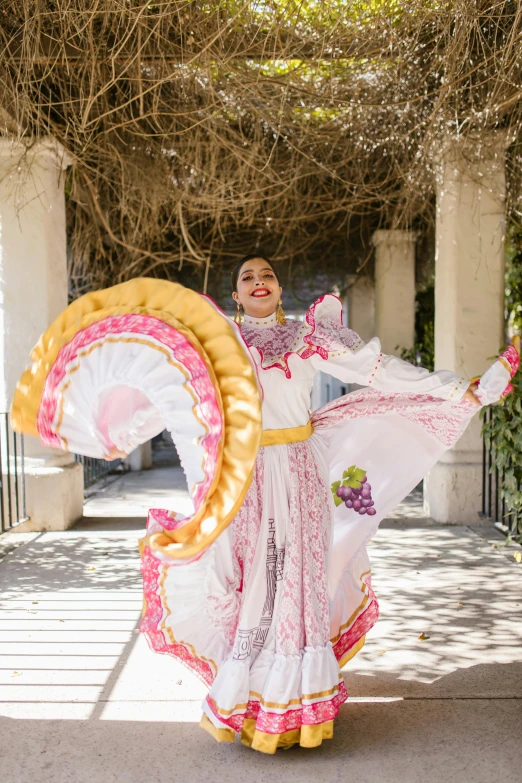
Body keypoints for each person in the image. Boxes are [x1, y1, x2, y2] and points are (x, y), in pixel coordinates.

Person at [13, 256, 517, 755]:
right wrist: (112, 432)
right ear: (235, 295)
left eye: (267, 275)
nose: (259, 282)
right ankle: (252, 701)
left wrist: (453, 388)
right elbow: (164, 393)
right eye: (247, 277)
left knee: (300, 581)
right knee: (253, 583)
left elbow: (378, 370)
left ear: (278, 289)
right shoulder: (214, 344)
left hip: (300, 472)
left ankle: (296, 707)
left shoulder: (307, 338)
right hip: (243, 476)